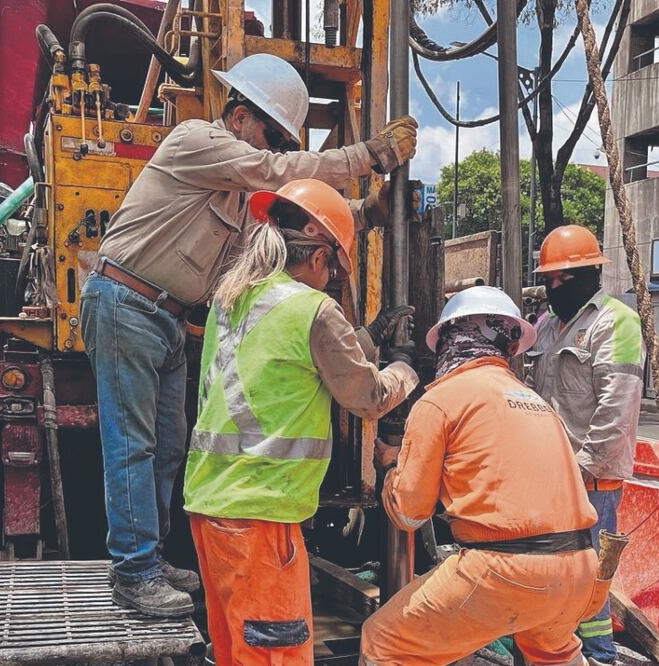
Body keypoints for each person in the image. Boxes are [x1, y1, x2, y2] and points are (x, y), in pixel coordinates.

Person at [79, 51, 417, 617]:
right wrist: (370, 156)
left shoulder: (237, 199)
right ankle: (133, 570)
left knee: (167, 447)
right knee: (133, 444)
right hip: (126, 301)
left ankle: (151, 557)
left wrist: (367, 213)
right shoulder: (194, 142)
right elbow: (280, 176)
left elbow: (291, 227)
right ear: (239, 117)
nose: (275, 150)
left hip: (166, 316)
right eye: (272, 135)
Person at [183, 178, 419, 665]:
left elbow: (296, 363)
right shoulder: (312, 309)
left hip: (211, 508)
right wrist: (407, 369)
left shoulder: (235, 301)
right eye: (333, 267)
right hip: (262, 516)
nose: (331, 278)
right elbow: (368, 395)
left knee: (235, 652)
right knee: (276, 655)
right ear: (318, 255)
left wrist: (371, 334)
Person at [360, 286, 601, 666]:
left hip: (506, 572)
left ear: (449, 341)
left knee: (385, 641)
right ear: (508, 345)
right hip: (580, 572)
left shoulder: (441, 398)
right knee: (553, 654)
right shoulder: (534, 402)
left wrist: (392, 468)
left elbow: (409, 513)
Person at [528, 224, 645, 666]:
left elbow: (618, 405)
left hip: (591, 478)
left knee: (590, 576)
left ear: (593, 274)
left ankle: (597, 656)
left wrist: (583, 470)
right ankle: (558, 649)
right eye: (550, 280)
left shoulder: (616, 322)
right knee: (553, 573)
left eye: (566, 279)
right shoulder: (544, 327)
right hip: (549, 475)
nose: (557, 287)